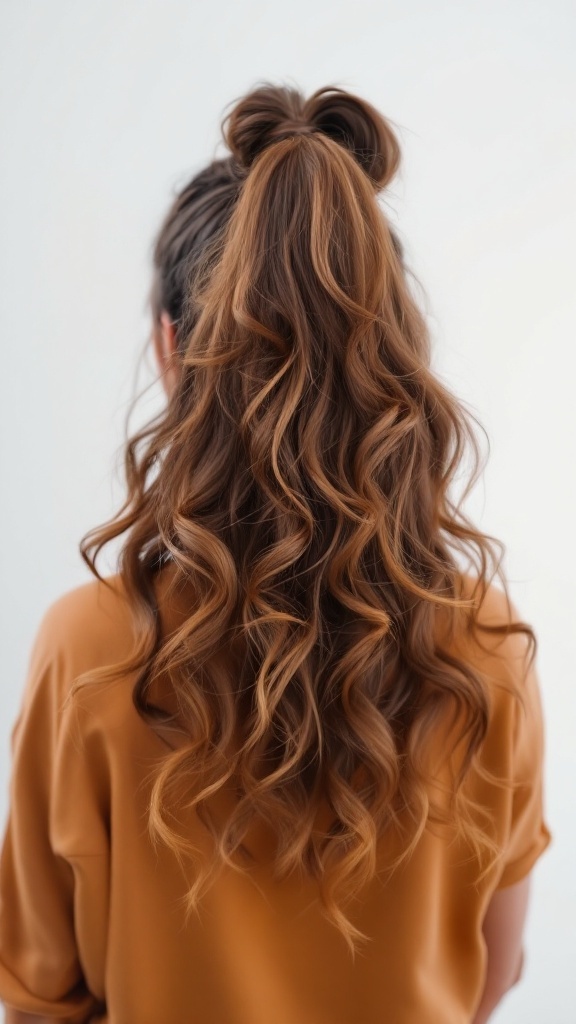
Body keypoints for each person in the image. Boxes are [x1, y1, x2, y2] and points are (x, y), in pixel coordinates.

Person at [0, 83, 552, 1024]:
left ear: (171, 350)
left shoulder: (88, 650)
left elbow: (39, 1002)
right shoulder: (486, 649)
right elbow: (487, 979)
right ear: (388, 350)